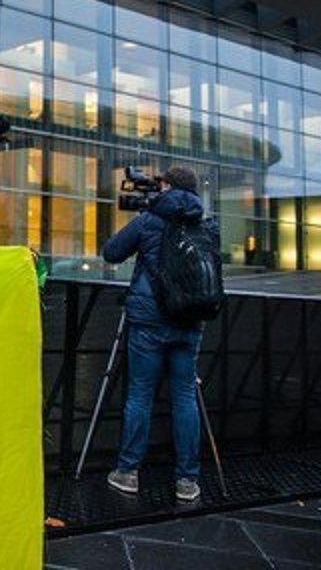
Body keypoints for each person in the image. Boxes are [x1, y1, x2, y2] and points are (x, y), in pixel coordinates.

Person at [102, 166, 214, 503]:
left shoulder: (150, 220)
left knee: (140, 395)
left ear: (167, 187)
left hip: (149, 322)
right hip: (190, 319)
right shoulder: (205, 223)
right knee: (184, 398)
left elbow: (111, 252)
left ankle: (127, 472)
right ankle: (187, 481)